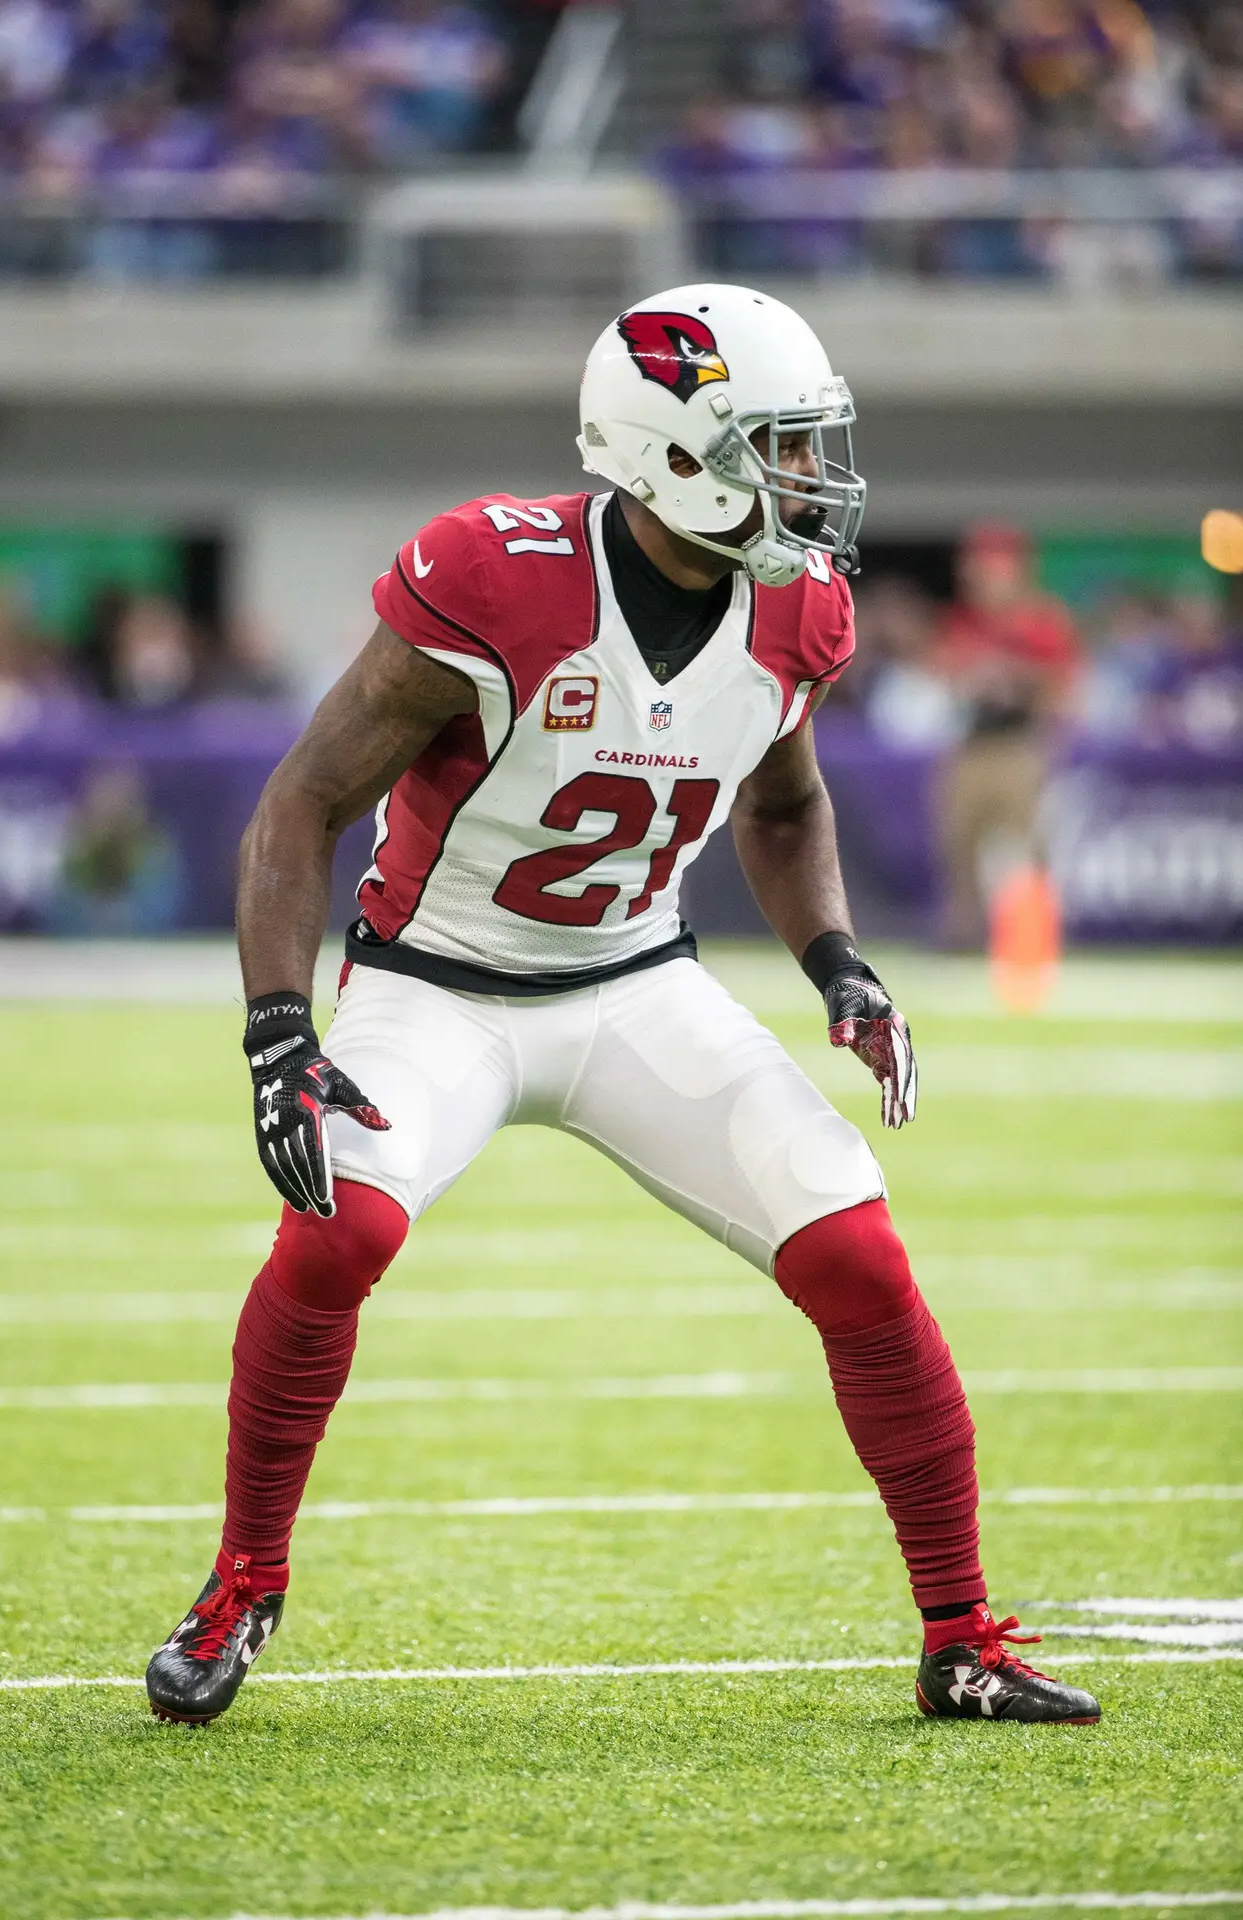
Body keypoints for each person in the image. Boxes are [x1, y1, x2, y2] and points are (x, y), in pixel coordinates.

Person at [145, 283, 1100, 1730]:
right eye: (774, 447)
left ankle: (960, 1633)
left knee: (857, 1255)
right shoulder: (497, 574)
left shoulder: (797, 607)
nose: (807, 480)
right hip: (434, 987)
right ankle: (241, 1584)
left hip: (634, 986)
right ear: (670, 451)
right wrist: (282, 1032)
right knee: (340, 1231)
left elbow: (783, 807)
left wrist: (833, 961)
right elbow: (300, 806)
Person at [933, 522, 1081, 950]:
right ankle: (963, 937)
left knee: (1028, 849)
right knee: (958, 842)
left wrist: (1017, 682)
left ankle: (1034, 938)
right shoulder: (963, 620)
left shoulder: (1042, 620)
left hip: (1019, 746)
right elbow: (945, 674)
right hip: (971, 744)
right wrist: (975, 679)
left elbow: (1064, 689)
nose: (979, 577)